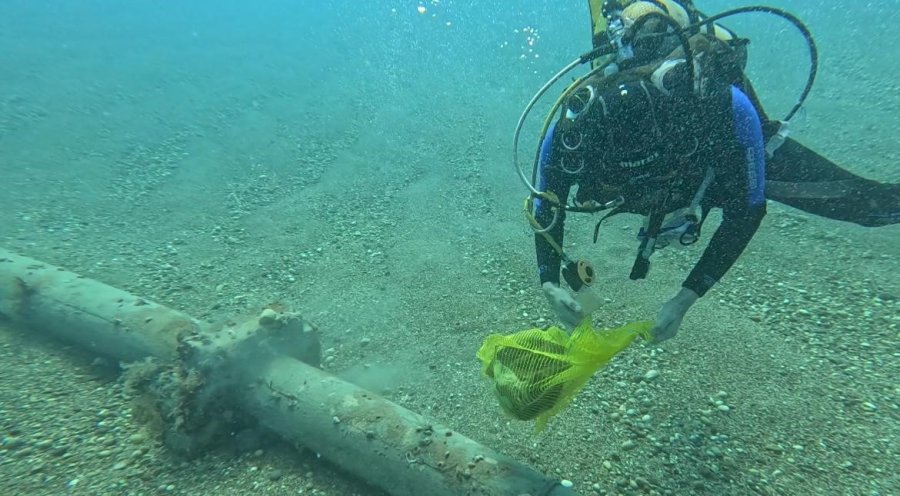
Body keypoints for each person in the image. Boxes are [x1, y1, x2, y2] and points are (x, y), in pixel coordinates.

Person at [525, 0, 899, 341]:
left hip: (711, 166)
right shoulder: (577, 128)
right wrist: (548, 281)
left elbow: (748, 209)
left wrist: (685, 298)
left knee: (864, 205)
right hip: (678, 164)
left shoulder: (719, 105)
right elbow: (547, 203)